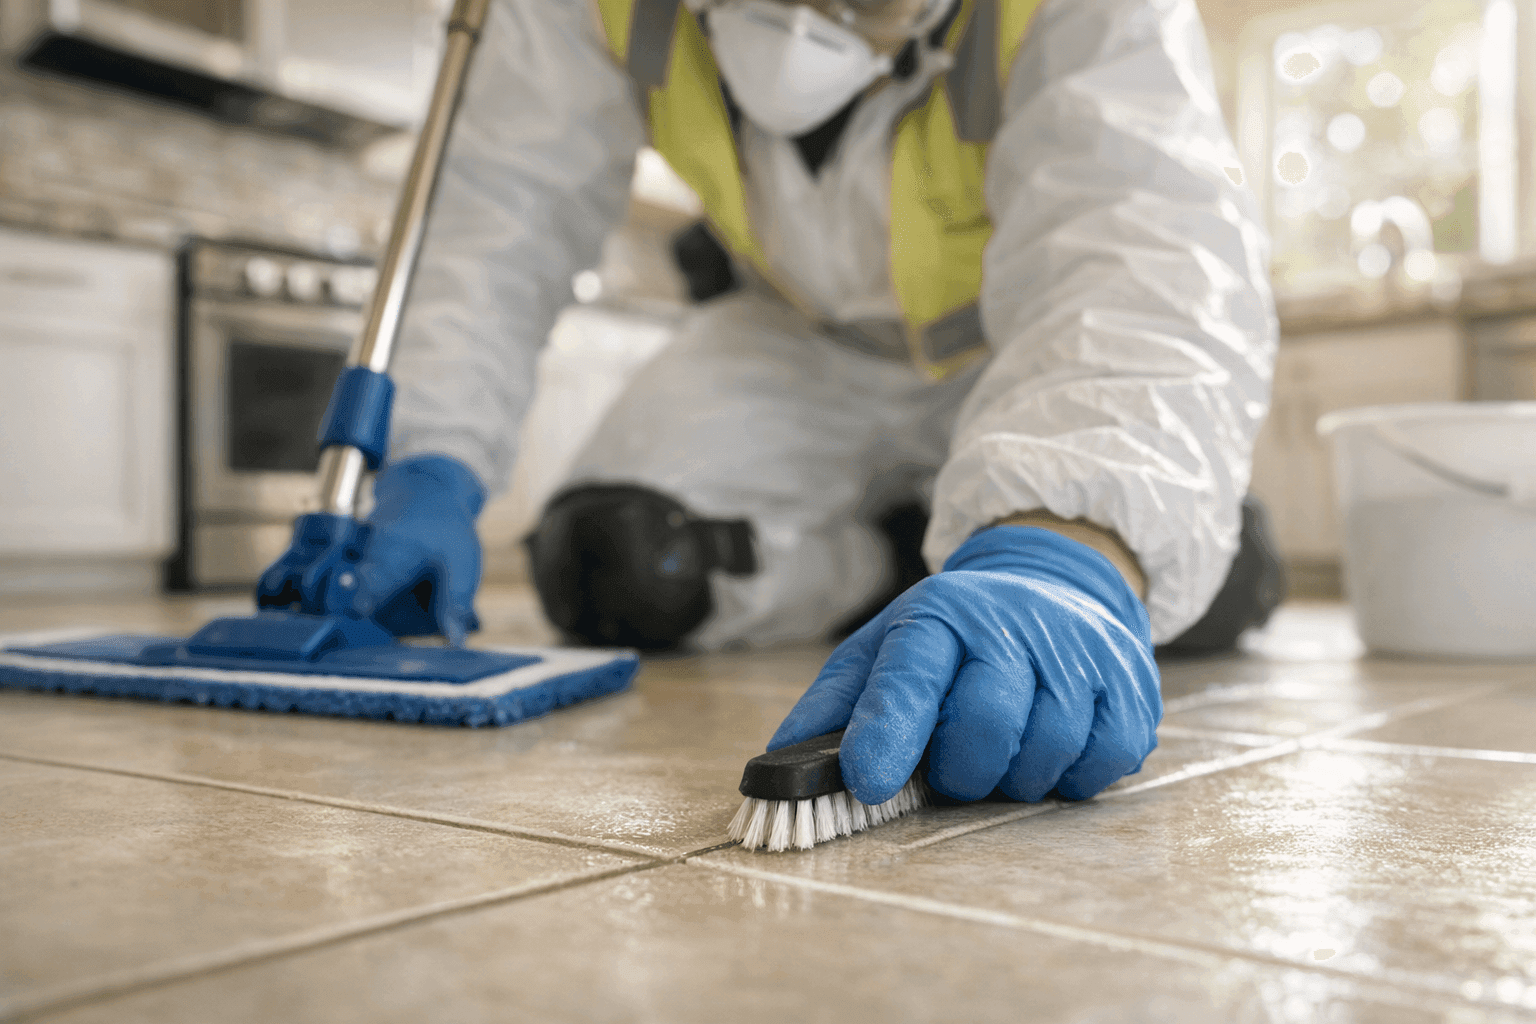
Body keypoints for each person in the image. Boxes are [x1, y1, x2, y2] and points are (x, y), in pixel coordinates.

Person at [260, 0, 1283, 807]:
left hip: (1017, 347)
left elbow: (1142, 248)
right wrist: (432, 461)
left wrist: (1071, 538)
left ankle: (1066, 540)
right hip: (797, 342)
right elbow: (498, 212)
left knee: (1183, 583)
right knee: (615, 562)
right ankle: (893, 557)